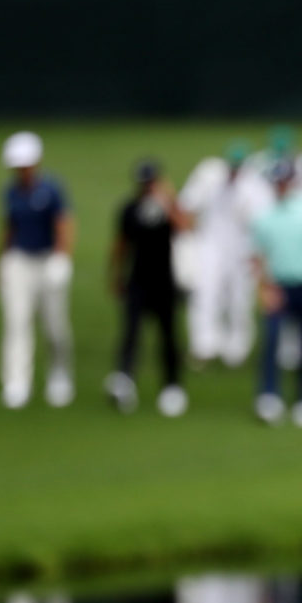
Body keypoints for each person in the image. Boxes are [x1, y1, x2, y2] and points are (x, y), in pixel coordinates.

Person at [250, 160, 302, 428]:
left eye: (285, 181)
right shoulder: (263, 216)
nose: (282, 186)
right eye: (277, 182)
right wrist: (264, 288)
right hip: (276, 287)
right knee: (272, 342)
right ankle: (269, 396)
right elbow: (258, 257)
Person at [105, 160, 191, 417]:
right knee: (130, 334)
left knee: (168, 336)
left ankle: (172, 387)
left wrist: (169, 200)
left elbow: (185, 227)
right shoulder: (130, 209)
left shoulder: (168, 208)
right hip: (138, 281)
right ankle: (124, 381)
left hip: (165, 282)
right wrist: (116, 275)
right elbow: (121, 244)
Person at [0, 131, 75, 410]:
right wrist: (1, 263)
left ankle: (60, 374)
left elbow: (64, 224)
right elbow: (8, 228)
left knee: (55, 325)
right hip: (20, 261)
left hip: (48, 260)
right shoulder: (10, 192)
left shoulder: (52, 189)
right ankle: (17, 382)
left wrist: (62, 258)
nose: (22, 171)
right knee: (17, 323)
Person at [179, 140, 272, 368]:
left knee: (240, 299)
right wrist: (191, 241)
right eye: (232, 166)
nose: (234, 171)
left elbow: (263, 225)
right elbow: (186, 205)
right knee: (205, 294)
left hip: (242, 248)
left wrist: (257, 256)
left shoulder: (257, 186)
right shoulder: (208, 175)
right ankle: (204, 346)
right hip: (210, 244)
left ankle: (236, 349)